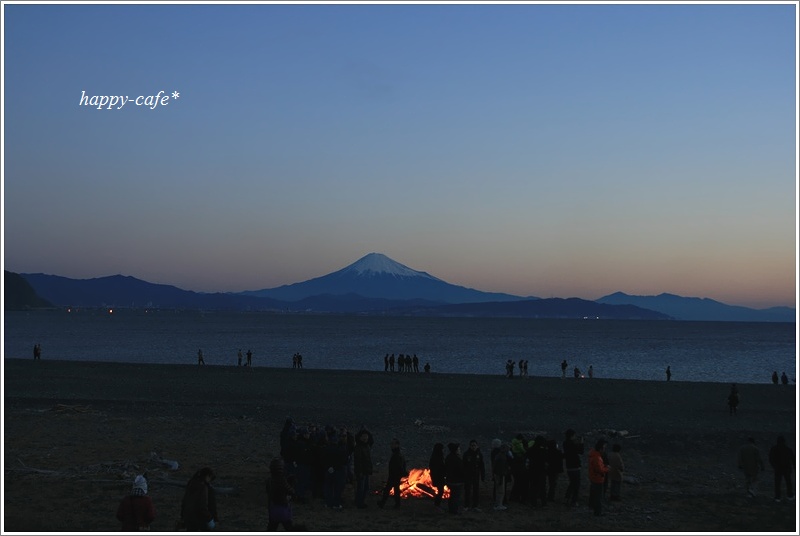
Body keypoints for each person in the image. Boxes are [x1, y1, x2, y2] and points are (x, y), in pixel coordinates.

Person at [266, 457, 295, 531]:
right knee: (289, 527)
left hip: (273, 507)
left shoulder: (270, 480)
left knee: (271, 528)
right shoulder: (282, 480)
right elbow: (291, 492)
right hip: (283, 506)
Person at [377, 438, 407, 508]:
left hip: (394, 475)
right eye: (391, 444)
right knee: (395, 489)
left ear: (397, 445)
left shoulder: (397, 455)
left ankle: (383, 503)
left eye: (393, 444)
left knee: (388, 489)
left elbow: (399, 465)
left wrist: (400, 473)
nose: (391, 445)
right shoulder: (397, 454)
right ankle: (396, 504)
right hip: (395, 475)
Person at [768, 436, 795, 502]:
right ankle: (790, 496)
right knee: (788, 483)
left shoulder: (774, 449)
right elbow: (793, 459)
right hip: (787, 468)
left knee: (777, 483)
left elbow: (771, 459)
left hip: (778, 468)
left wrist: (774, 466)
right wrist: (795, 467)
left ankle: (777, 497)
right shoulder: (788, 449)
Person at [462, 439, 486, 512]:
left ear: (477, 446)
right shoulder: (466, 454)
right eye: (472, 445)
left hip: (476, 475)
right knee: (467, 491)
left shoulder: (479, 454)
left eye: (474, 445)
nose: (473, 447)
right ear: (470, 446)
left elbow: (482, 465)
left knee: (476, 491)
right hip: (468, 475)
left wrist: (483, 475)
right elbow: (463, 465)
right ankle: (466, 505)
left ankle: (475, 505)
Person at [588, 439, 609, 516]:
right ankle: (598, 512)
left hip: (593, 477)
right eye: (604, 448)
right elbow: (600, 469)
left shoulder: (593, 454)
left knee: (594, 494)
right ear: (601, 448)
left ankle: (592, 506)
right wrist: (607, 469)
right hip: (598, 479)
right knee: (598, 497)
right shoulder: (597, 457)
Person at [353, 428, 373, 509]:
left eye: (366, 436)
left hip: (366, 470)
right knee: (361, 487)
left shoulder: (367, 446)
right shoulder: (358, 448)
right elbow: (358, 461)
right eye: (364, 436)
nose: (365, 438)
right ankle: (359, 503)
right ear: (360, 437)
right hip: (361, 471)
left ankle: (361, 501)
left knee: (366, 487)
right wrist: (359, 472)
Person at [563, 429, 584, 507]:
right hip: (575, 466)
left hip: (569, 466)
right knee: (576, 484)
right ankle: (574, 501)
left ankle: (567, 497)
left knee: (572, 483)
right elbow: (581, 451)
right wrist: (581, 443)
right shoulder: (572, 444)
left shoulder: (565, 443)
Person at [444, 443, 465, 514]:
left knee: (452, 496)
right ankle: (454, 511)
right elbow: (461, 470)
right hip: (457, 481)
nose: (459, 450)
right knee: (456, 496)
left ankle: (451, 510)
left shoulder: (448, 458)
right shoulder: (457, 459)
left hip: (450, 480)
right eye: (458, 449)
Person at [492, 443, 511, 511]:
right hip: (500, 475)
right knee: (501, 491)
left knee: (498, 490)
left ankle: (497, 504)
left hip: (497, 474)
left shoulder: (498, 456)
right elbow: (501, 468)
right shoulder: (502, 457)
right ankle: (499, 505)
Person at [429, 442, 447, 508]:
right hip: (438, 476)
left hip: (437, 476)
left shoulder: (435, 456)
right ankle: (437, 504)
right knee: (441, 491)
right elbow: (439, 467)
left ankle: (437, 503)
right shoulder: (437, 457)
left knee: (440, 491)